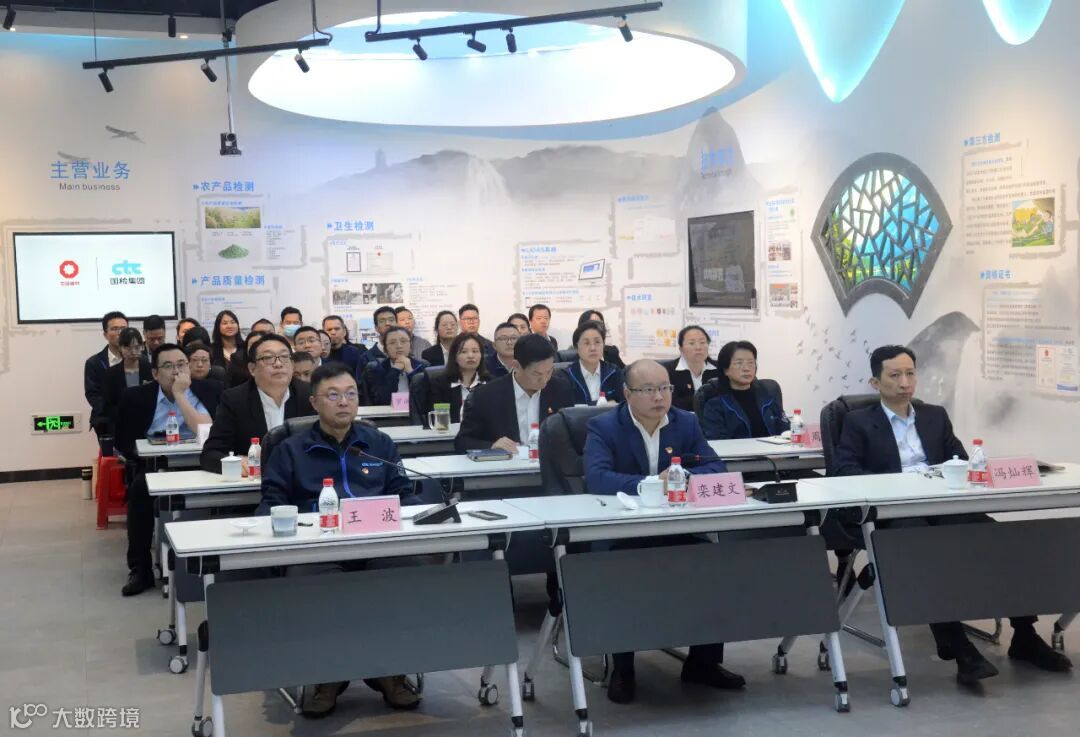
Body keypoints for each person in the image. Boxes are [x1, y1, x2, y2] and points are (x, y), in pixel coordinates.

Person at [833, 345, 1071, 683]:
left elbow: (959, 459)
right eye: (895, 375)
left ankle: (1025, 635)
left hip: (942, 505)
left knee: (1000, 540)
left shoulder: (934, 416)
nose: (905, 382)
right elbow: (844, 472)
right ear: (875, 382)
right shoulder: (857, 422)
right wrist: (898, 483)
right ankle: (959, 647)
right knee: (926, 551)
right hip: (894, 513)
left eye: (910, 373)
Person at [257, 362, 421, 716]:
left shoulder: (378, 444)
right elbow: (272, 502)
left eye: (350, 394)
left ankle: (389, 671)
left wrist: (421, 514)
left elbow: (402, 493)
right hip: (318, 548)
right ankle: (328, 675)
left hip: (378, 543)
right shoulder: (290, 449)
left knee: (405, 573)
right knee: (317, 584)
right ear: (314, 402)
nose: (343, 402)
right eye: (333, 395)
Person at [583, 359, 743, 703]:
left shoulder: (686, 422)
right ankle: (623, 667)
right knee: (624, 574)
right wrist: (654, 483)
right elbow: (597, 478)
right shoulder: (604, 426)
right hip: (622, 533)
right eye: (649, 390)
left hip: (676, 528)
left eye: (665, 388)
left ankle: (703, 663)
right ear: (627, 393)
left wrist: (686, 477)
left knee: (714, 564)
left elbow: (716, 467)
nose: (659, 397)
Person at [115, 344, 221, 596]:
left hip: (202, 462)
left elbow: (207, 432)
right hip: (156, 464)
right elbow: (123, 440)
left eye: (182, 365)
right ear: (154, 373)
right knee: (139, 492)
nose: (177, 372)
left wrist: (180, 395)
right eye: (168, 366)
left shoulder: (211, 389)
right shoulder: (136, 397)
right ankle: (140, 569)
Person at [201, 333, 315, 474]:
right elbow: (210, 454)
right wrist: (235, 463)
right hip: (254, 482)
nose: (278, 364)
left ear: (292, 365)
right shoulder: (235, 400)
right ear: (252, 369)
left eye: (284, 357)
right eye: (268, 358)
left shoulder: (308, 395)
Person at [455, 334, 574, 453]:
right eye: (537, 374)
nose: (544, 380)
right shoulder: (486, 396)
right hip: (507, 462)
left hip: (548, 461)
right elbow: (462, 442)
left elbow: (572, 435)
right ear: (516, 366)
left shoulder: (560, 389)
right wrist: (492, 445)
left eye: (549, 372)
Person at [701, 340, 789, 440]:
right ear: (725, 370)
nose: (746, 368)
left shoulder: (767, 396)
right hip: (737, 450)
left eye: (751, 363)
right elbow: (717, 441)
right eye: (739, 363)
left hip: (774, 450)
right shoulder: (715, 405)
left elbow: (786, 430)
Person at [426, 333, 490, 424]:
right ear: (454, 356)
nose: (470, 356)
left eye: (475, 351)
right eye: (464, 352)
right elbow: (440, 422)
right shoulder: (440, 385)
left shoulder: (491, 383)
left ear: (481, 355)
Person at [100, 327, 152, 438]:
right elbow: (108, 404)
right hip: (122, 425)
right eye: (128, 348)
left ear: (142, 346)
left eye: (137, 347)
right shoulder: (111, 374)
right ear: (120, 348)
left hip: (148, 424)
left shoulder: (150, 370)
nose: (133, 352)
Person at [85, 311, 128, 441]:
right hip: (106, 421)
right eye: (114, 329)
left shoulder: (140, 360)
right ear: (105, 334)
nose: (120, 333)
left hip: (135, 418)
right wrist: (114, 411)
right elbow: (92, 394)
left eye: (123, 329)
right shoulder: (94, 362)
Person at [362, 326, 429, 405]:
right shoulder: (377, 369)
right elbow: (383, 400)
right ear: (385, 348)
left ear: (410, 345)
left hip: (415, 412)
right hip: (388, 412)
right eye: (392, 343)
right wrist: (395, 370)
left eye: (403, 341)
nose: (399, 346)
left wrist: (411, 372)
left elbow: (424, 399)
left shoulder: (423, 367)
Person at [564, 321, 624, 405]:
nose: (593, 348)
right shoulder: (566, 376)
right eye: (586, 343)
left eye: (597, 342)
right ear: (576, 348)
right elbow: (565, 409)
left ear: (603, 344)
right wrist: (606, 405)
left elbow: (624, 404)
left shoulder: (614, 372)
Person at [663, 325, 720, 412]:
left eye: (702, 342)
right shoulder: (667, 371)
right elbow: (671, 403)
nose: (698, 347)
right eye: (692, 343)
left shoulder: (719, 369)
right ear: (681, 349)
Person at [355, 305, 398, 375]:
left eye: (391, 320)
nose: (387, 323)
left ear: (397, 324)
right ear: (376, 328)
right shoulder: (366, 358)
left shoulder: (405, 353)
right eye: (382, 321)